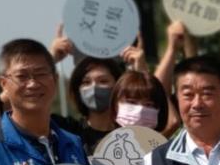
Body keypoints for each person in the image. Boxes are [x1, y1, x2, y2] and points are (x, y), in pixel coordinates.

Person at [50, 23, 149, 153]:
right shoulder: (67, 131)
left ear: (118, 86)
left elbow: (169, 120)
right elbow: (17, 112)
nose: (94, 87)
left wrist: (141, 73)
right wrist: (50, 58)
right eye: (86, 82)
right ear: (77, 89)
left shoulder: (133, 133)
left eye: (103, 81)